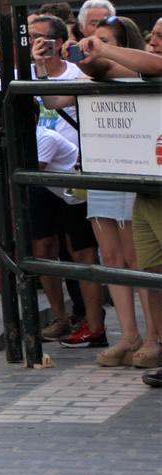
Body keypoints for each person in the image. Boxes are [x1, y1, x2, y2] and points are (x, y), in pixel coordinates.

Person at [75, 33, 162, 384]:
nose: (152, 39)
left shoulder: (151, 65)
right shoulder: (141, 68)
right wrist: (87, 56)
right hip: (146, 186)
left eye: (160, 34)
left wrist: (105, 48)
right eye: (153, 34)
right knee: (152, 273)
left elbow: (155, 64)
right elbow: (103, 70)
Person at [27, 12, 99, 343]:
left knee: (80, 248)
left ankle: (91, 319)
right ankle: (59, 317)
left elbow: (57, 101)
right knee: (43, 245)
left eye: (42, 38)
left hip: (73, 169)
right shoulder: (23, 74)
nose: (36, 44)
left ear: (59, 41)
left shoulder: (77, 71)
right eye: (31, 38)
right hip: (39, 170)